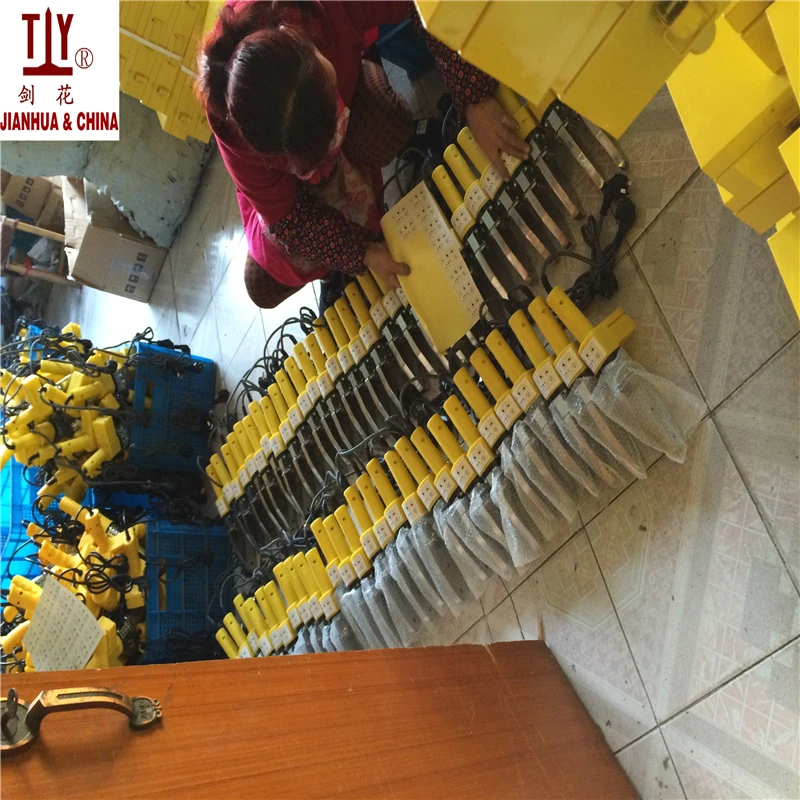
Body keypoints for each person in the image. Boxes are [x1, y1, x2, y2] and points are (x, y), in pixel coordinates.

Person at [197, 0, 529, 310]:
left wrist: (473, 98)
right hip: (300, 178)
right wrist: (361, 252)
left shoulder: (328, 8)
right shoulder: (232, 123)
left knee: (383, 130)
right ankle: (336, 260)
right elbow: (288, 219)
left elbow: (427, 4)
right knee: (261, 287)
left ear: (302, 41)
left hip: (349, 95)